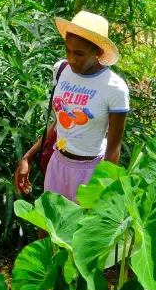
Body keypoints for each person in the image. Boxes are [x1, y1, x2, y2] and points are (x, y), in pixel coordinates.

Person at [14, 11, 129, 203]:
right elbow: (59, 123)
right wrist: (27, 157)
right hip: (58, 164)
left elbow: (113, 149)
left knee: (79, 231)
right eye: (68, 51)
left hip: (90, 172)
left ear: (98, 52)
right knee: (49, 229)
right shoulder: (61, 70)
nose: (72, 59)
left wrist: (101, 189)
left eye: (79, 54)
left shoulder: (114, 88)